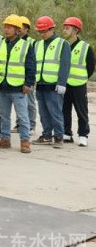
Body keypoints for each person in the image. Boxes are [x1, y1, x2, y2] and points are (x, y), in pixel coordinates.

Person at [0, 15, 36, 153]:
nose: (6, 29)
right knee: (3, 116)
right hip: (2, 86)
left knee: (23, 116)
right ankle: (5, 139)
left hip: (18, 88)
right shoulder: (0, 44)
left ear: (18, 30)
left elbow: (31, 66)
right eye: (5, 27)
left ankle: (25, 141)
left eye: (10, 27)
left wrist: (28, 83)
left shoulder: (26, 45)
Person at [32, 16, 71, 148]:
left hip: (54, 85)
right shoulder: (37, 44)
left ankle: (59, 137)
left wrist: (62, 82)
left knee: (55, 112)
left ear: (52, 29)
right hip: (40, 83)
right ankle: (47, 135)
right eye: (40, 31)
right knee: (43, 113)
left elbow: (65, 65)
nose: (42, 34)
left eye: (44, 31)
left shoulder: (62, 44)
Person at [61, 17, 93, 147]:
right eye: (64, 28)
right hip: (65, 84)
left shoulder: (85, 47)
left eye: (67, 28)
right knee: (64, 109)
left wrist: (82, 78)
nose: (64, 30)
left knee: (81, 111)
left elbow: (90, 67)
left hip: (79, 84)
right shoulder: (63, 45)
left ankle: (83, 135)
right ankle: (67, 133)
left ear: (75, 30)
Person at [18, 16, 38, 134]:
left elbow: (33, 62)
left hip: (28, 77)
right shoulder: (14, 41)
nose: (18, 29)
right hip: (17, 76)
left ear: (26, 28)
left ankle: (31, 125)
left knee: (30, 102)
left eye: (20, 27)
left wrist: (30, 78)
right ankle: (19, 124)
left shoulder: (32, 42)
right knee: (19, 102)